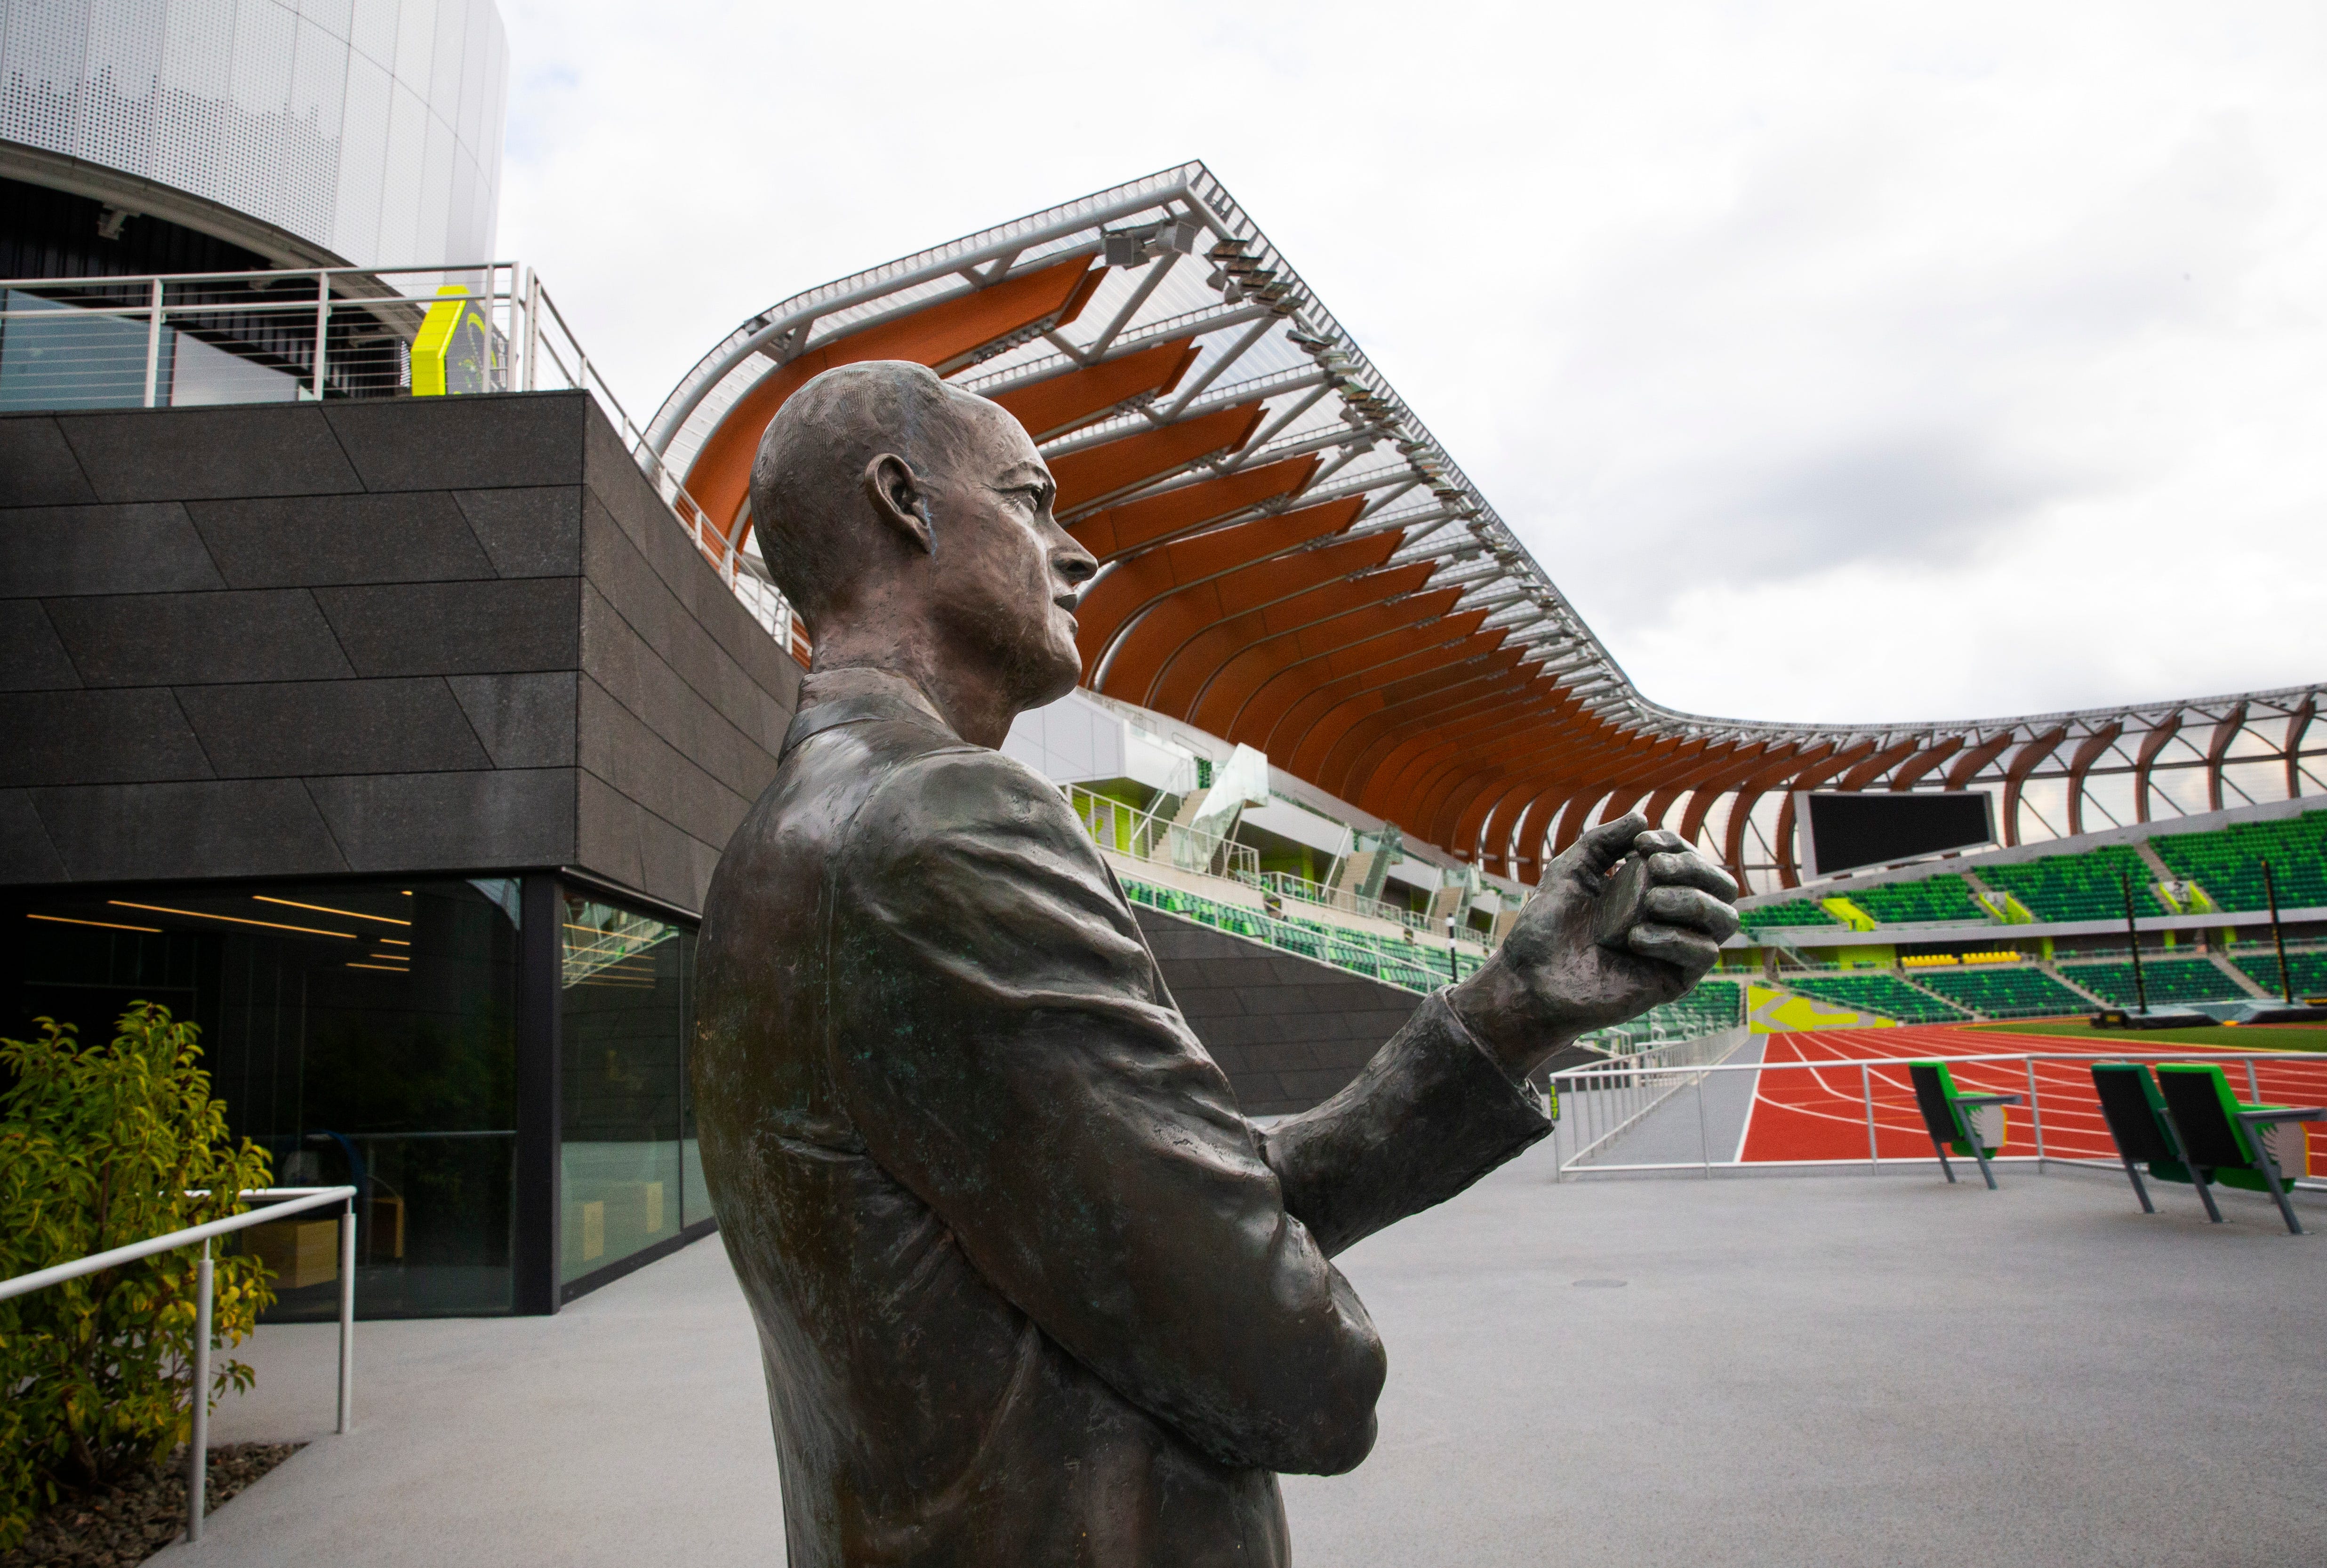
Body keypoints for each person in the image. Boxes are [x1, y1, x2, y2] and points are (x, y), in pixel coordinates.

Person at [692, 360, 1740, 1567]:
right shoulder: (943, 822)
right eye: (1032, 501)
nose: (1073, 554)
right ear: (905, 503)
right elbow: (1284, 1359)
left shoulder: (774, 850)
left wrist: (1511, 1010)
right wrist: (1311, 1338)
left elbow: (1183, 1201)